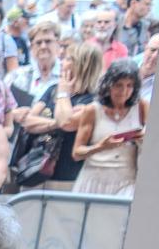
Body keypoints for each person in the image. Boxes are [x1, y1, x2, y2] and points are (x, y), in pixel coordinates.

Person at [20, 39, 101, 190]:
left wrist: (63, 94)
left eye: (69, 59)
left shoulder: (93, 100)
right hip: (34, 173)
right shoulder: (52, 89)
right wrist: (56, 123)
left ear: (82, 65)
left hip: (65, 179)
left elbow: (67, 123)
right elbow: (28, 122)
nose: (62, 62)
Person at [73, 57, 146, 197]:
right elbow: (77, 153)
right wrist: (101, 146)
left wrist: (143, 137)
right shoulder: (92, 110)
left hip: (126, 181)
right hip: (93, 179)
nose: (124, 91)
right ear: (109, 85)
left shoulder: (141, 107)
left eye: (129, 85)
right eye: (119, 85)